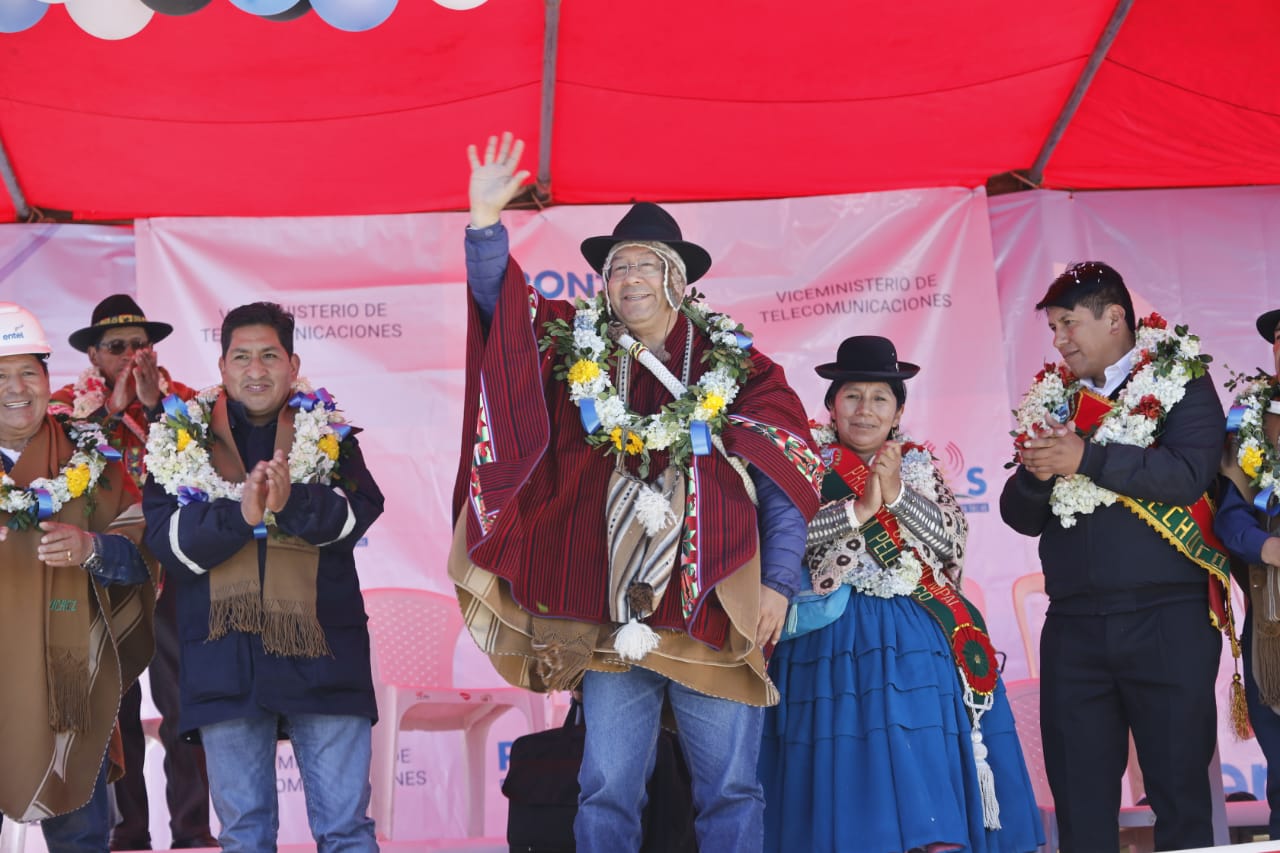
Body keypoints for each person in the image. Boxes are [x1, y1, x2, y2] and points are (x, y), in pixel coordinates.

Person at [450, 133, 821, 853]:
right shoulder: (574, 348)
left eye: (646, 264)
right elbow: (506, 322)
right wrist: (485, 226)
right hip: (609, 612)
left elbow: (784, 477)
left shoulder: (742, 367)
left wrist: (778, 582)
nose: (629, 278)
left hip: (712, 605)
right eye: (617, 267)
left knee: (731, 791)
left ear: (678, 279)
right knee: (606, 790)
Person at [758, 335, 1044, 852]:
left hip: (915, 637)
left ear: (899, 412)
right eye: (852, 396)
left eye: (879, 398)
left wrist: (895, 494)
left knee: (922, 761)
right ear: (831, 405)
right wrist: (859, 511)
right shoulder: (806, 463)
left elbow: (952, 540)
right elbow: (784, 537)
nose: (864, 410)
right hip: (828, 635)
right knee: (840, 765)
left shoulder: (918, 466)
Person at [1000, 262, 1229, 851]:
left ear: (1115, 318)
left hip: (1167, 619)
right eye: (1053, 328)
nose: (1059, 340)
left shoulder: (1181, 380)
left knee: (1179, 797)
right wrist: (1037, 474)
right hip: (1074, 625)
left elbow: (1186, 474)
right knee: (1080, 803)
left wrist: (1087, 459)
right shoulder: (1056, 399)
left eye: (1069, 324)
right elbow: (1019, 515)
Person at [141, 302, 385, 853]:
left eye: (270, 356)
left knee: (346, 831)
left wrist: (290, 502)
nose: (256, 370)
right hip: (224, 660)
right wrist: (241, 516)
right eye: (242, 357)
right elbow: (167, 543)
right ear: (222, 367)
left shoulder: (329, 434)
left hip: (323, 655)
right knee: (244, 834)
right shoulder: (179, 440)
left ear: (292, 365)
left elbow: (357, 514)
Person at [50, 293, 215, 851]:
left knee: (184, 702)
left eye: (140, 345)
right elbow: (61, 471)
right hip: (104, 574)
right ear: (93, 355)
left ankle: (193, 831)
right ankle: (128, 833)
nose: (129, 355)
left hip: (175, 571)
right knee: (115, 712)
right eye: (116, 346)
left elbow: (207, 467)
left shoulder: (183, 401)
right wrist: (110, 413)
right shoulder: (67, 407)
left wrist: (154, 407)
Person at [0, 302, 156, 852]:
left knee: (82, 838)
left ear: (48, 379)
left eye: (28, 372)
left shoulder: (90, 453)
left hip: (72, 683)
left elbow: (143, 554)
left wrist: (93, 549)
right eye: (0, 375)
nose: (16, 388)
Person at [1215, 305, 1280, 837]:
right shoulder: (1252, 421)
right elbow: (1230, 518)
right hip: (1273, 629)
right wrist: (1268, 547)